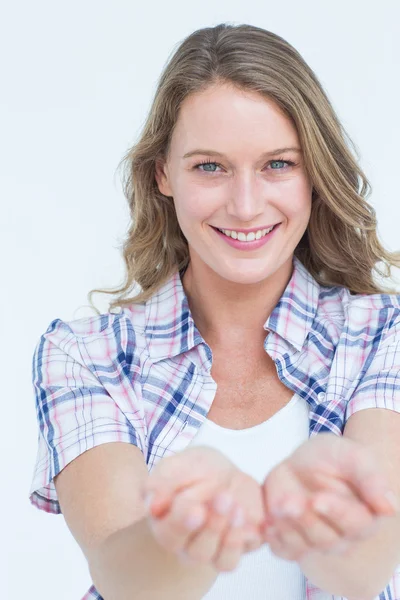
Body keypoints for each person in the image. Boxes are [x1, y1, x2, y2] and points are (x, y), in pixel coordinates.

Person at [29, 23, 400, 600]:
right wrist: (186, 528)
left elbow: (368, 569)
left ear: (314, 175)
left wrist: (326, 510)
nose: (246, 205)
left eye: (278, 163)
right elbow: (123, 575)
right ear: (163, 174)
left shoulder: (382, 333)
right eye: (210, 167)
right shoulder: (87, 355)